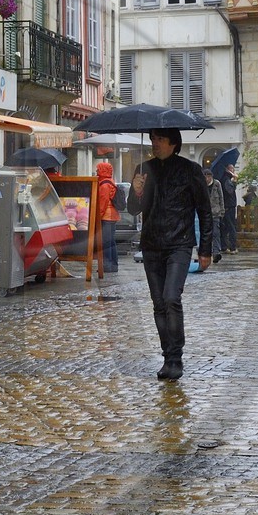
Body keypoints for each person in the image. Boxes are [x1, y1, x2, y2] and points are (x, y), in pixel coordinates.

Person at [128, 129, 213, 380]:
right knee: (158, 303)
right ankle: (167, 356)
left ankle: (176, 357)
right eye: (153, 139)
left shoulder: (190, 170)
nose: (155, 144)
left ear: (173, 143)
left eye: (160, 140)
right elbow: (133, 209)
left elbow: (204, 211)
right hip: (152, 245)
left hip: (180, 243)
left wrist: (205, 249)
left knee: (170, 298)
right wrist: (136, 190)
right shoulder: (144, 169)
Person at [95, 161, 120, 274]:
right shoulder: (110, 181)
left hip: (107, 217)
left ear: (102, 170)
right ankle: (113, 265)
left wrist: (98, 217)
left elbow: (103, 203)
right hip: (112, 216)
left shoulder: (104, 184)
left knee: (106, 242)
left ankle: (107, 266)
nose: (96, 171)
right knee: (111, 242)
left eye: (98, 169)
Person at [203, 168, 224, 261]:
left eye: (208, 176)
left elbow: (221, 197)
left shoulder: (217, 184)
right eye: (205, 177)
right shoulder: (201, 185)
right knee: (206, 234)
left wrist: (222, 211)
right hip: (205, 213)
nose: (207, 179)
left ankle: (216, 252)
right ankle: (207, 252)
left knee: (216, 233)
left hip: (215, 212)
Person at [220, 164, 239, 252]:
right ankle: (232, 247)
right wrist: (235, 181)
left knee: (225, 227)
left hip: (226, 205)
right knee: (231, 227)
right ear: (229, 170)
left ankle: (224, 246)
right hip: (229, 206)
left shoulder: (224, 178)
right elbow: (230, 191)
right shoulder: (226, 180)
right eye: (232, 169)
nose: (234, 170)